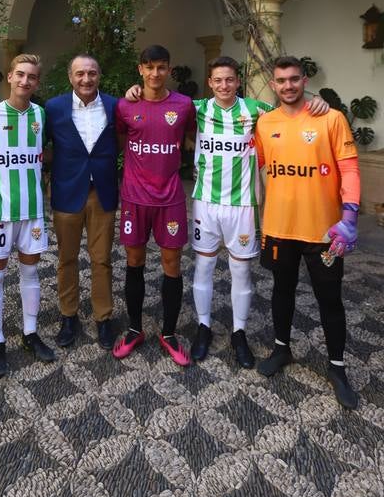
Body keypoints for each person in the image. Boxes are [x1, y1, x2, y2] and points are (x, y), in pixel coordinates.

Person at [127, 56, 329, 369]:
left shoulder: (256, 110)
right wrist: (135, 91)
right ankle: (203, 328)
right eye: (218, 80)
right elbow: (159, 100)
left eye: (230, 80)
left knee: (241, 271)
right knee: (203, 268)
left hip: (243, 206)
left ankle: (239, 333)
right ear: (210, 83)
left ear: (238, 81)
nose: (224, 85)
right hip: (205, 203)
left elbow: (291, 110)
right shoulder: (195, 108)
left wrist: (318, 102)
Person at [254, 56, 361, 409]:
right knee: (281, 291)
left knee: (329, 300)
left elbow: (349, 169)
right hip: (280, 228)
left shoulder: (331, 118)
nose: (288, 86)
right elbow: (260, 167)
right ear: (273, 84)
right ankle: (282, 350)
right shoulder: (265, 123)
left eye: (294, 79)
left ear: (304, 80)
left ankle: (337, 368)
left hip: (324, 232)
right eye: (281, 80)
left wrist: (350, 215)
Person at [113, 44, 197, 365]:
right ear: (140, 70)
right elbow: (122, 143)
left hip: (171, 198)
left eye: (161, 67)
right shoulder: (124, 106)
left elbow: (190, 137)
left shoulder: (185, 105)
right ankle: (135, 329)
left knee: (171, 264)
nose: (155, 74)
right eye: (149, 67)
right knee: (134, 262)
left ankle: (170, 333)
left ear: (169, 69)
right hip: (135, 198)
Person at [0, 53, 55, 377]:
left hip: (33, 210)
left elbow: (46, 151)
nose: (25, 81)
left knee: (30, 273)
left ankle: (30, 333)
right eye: (20, 75)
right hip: (0, 211)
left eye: (31, 77)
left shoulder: (41, 114)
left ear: (37, 82)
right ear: (9, 77)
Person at [45, 55, 118, 350]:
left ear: (99, 75)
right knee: (66, 258)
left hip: (102, 192)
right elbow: (42, 144)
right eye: (80, 74)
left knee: (101, 259)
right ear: (70, 76)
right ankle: (68, 315)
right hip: (66, 191)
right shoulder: (53, 108)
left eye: (91, 73)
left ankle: (103, 317)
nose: (86, 79)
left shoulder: (116, 106)